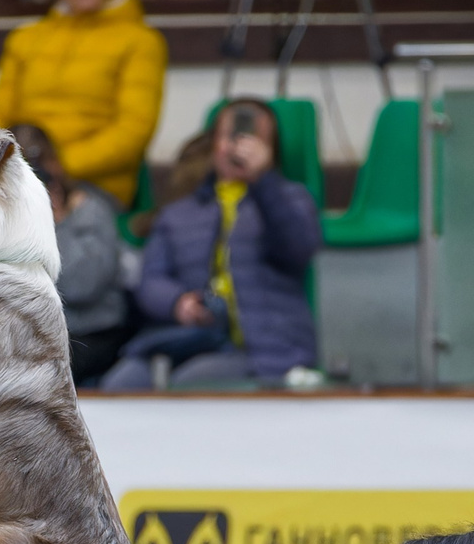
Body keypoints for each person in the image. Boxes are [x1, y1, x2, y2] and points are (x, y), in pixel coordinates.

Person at [102, 98, 320, 391]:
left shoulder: (292, 200)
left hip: (262, 351)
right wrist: (178, 302)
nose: (239, 146)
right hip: (187, 339)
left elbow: (298, 250)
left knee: (190, 385)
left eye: (253, 138)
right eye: (231, 136)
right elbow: (150, 280)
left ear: (272, 150)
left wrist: (263, 182)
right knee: (119, 384)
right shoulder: (178, 213)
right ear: (214, 144)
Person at [0, 0, 166, 209]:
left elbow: (133, 131)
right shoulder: (24, 39)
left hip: (95, 184)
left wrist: (60, 166)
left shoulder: (140, 41)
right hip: (23, 175)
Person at [10, 122, 131, 387]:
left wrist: (56, 222)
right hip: (28, 340)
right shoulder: (3, 221)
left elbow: (81, 286)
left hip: (91, 335)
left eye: (41, 166)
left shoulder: (90, 211)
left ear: (55, 165)